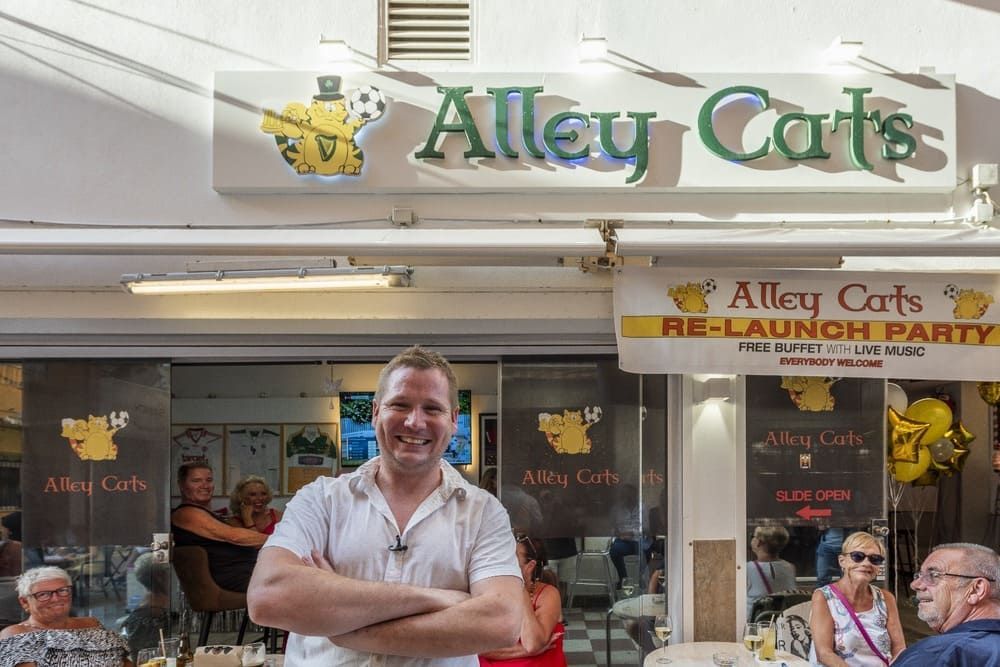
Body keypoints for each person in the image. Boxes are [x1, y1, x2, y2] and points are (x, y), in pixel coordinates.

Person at [248, 345, 524, 666]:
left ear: (453, 419)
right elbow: (269, 597)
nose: (414, 422)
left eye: (432, 409)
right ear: (376, 411)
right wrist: (436, 598)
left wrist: (344, 626)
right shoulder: (320, 499)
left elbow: (501, 622)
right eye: (400, 405)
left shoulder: (484, 513)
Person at [891, 542, 1000, 666]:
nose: (914, 585)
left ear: (976, 589)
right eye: (919, 575)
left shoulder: (937, 654)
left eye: (933, 575)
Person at [0, 566, 132, 666]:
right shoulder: (16, 634)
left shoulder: (92, 624)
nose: (56, 599)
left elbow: (123, 662)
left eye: (63, 591)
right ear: (24, 602)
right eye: (44, 594)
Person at [809, 531, 905, 666]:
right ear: (842, 561)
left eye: (875, 559)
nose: (866, 563)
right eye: (857, 556)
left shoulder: (886, 598)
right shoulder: (824, 597)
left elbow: (899, 649)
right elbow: (824, 653)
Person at [170, 461, 265, 592]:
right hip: (232, 579)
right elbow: (235, 537)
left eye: (209, 480)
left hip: (249, 572)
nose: (205, 485)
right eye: (196, 480)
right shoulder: (187, 513)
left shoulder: (212, 515)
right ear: (182, 485)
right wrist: (281, 540)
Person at [479, 534, 566, 666]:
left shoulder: (548, 594)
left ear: (529, 566)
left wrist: (519, 586)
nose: (502, 562)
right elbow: (475, 647)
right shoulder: (489, 592)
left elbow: (532, 643)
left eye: (511, 558)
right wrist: (525, 651)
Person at [119, 552, 170, 662]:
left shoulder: (160, 604)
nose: (169, 575)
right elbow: (141, 658)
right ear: (159, 577)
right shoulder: (147, 615)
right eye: (166, 571)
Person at [747, 525, 796, 618]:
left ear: (758, 542)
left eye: (753, 536)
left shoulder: (748, 569)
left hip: (756, 623)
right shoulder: (790, 568)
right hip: (782, 621)